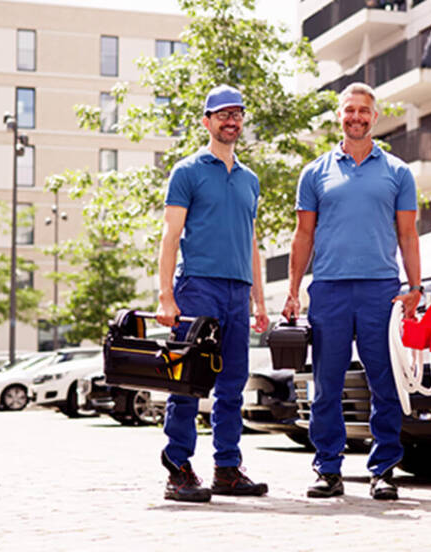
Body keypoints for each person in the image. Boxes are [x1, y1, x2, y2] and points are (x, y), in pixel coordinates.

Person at [282, 82, 422, 501]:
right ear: (339, 116)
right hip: (329, 290)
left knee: (385, 383)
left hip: (382, 290)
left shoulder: (397, 172)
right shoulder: (314, 173)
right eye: (349, 110)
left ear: (375, 117)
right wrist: (293, 290)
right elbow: (303, 235)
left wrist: (415, 287)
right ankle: (328, 468)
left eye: (364, 111)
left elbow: (408, 234)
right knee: (327, 384)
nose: (356, 117)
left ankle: (383, 470)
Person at [154, 84, 270, 503]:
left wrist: (259, 301)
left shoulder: (250, 179)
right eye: (222, 114)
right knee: (187, 381)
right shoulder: (187, 171)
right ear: (207, 121)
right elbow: (170, 236)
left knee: (232, 384)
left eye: (236, 114)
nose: (231, 121)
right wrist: (166, 295)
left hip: (238, 292)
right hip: (198, 286)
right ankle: (178, 468)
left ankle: (227, 468)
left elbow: (251, 241)